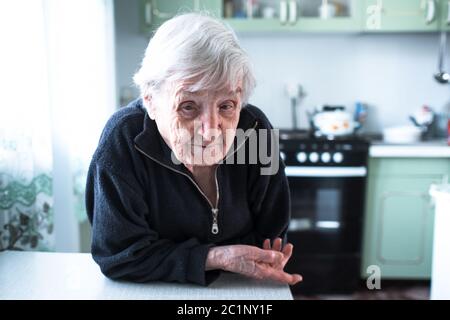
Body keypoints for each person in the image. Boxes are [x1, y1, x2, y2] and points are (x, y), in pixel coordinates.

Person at [85, 13, 302, 286]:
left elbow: (270, 240)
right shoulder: (124, 140)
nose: (211, 130)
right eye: (188, 106)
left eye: (226, 106)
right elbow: (119, 254)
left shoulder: (255, 130)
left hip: (237, 286)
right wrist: (214, 257)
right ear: (150, 101)